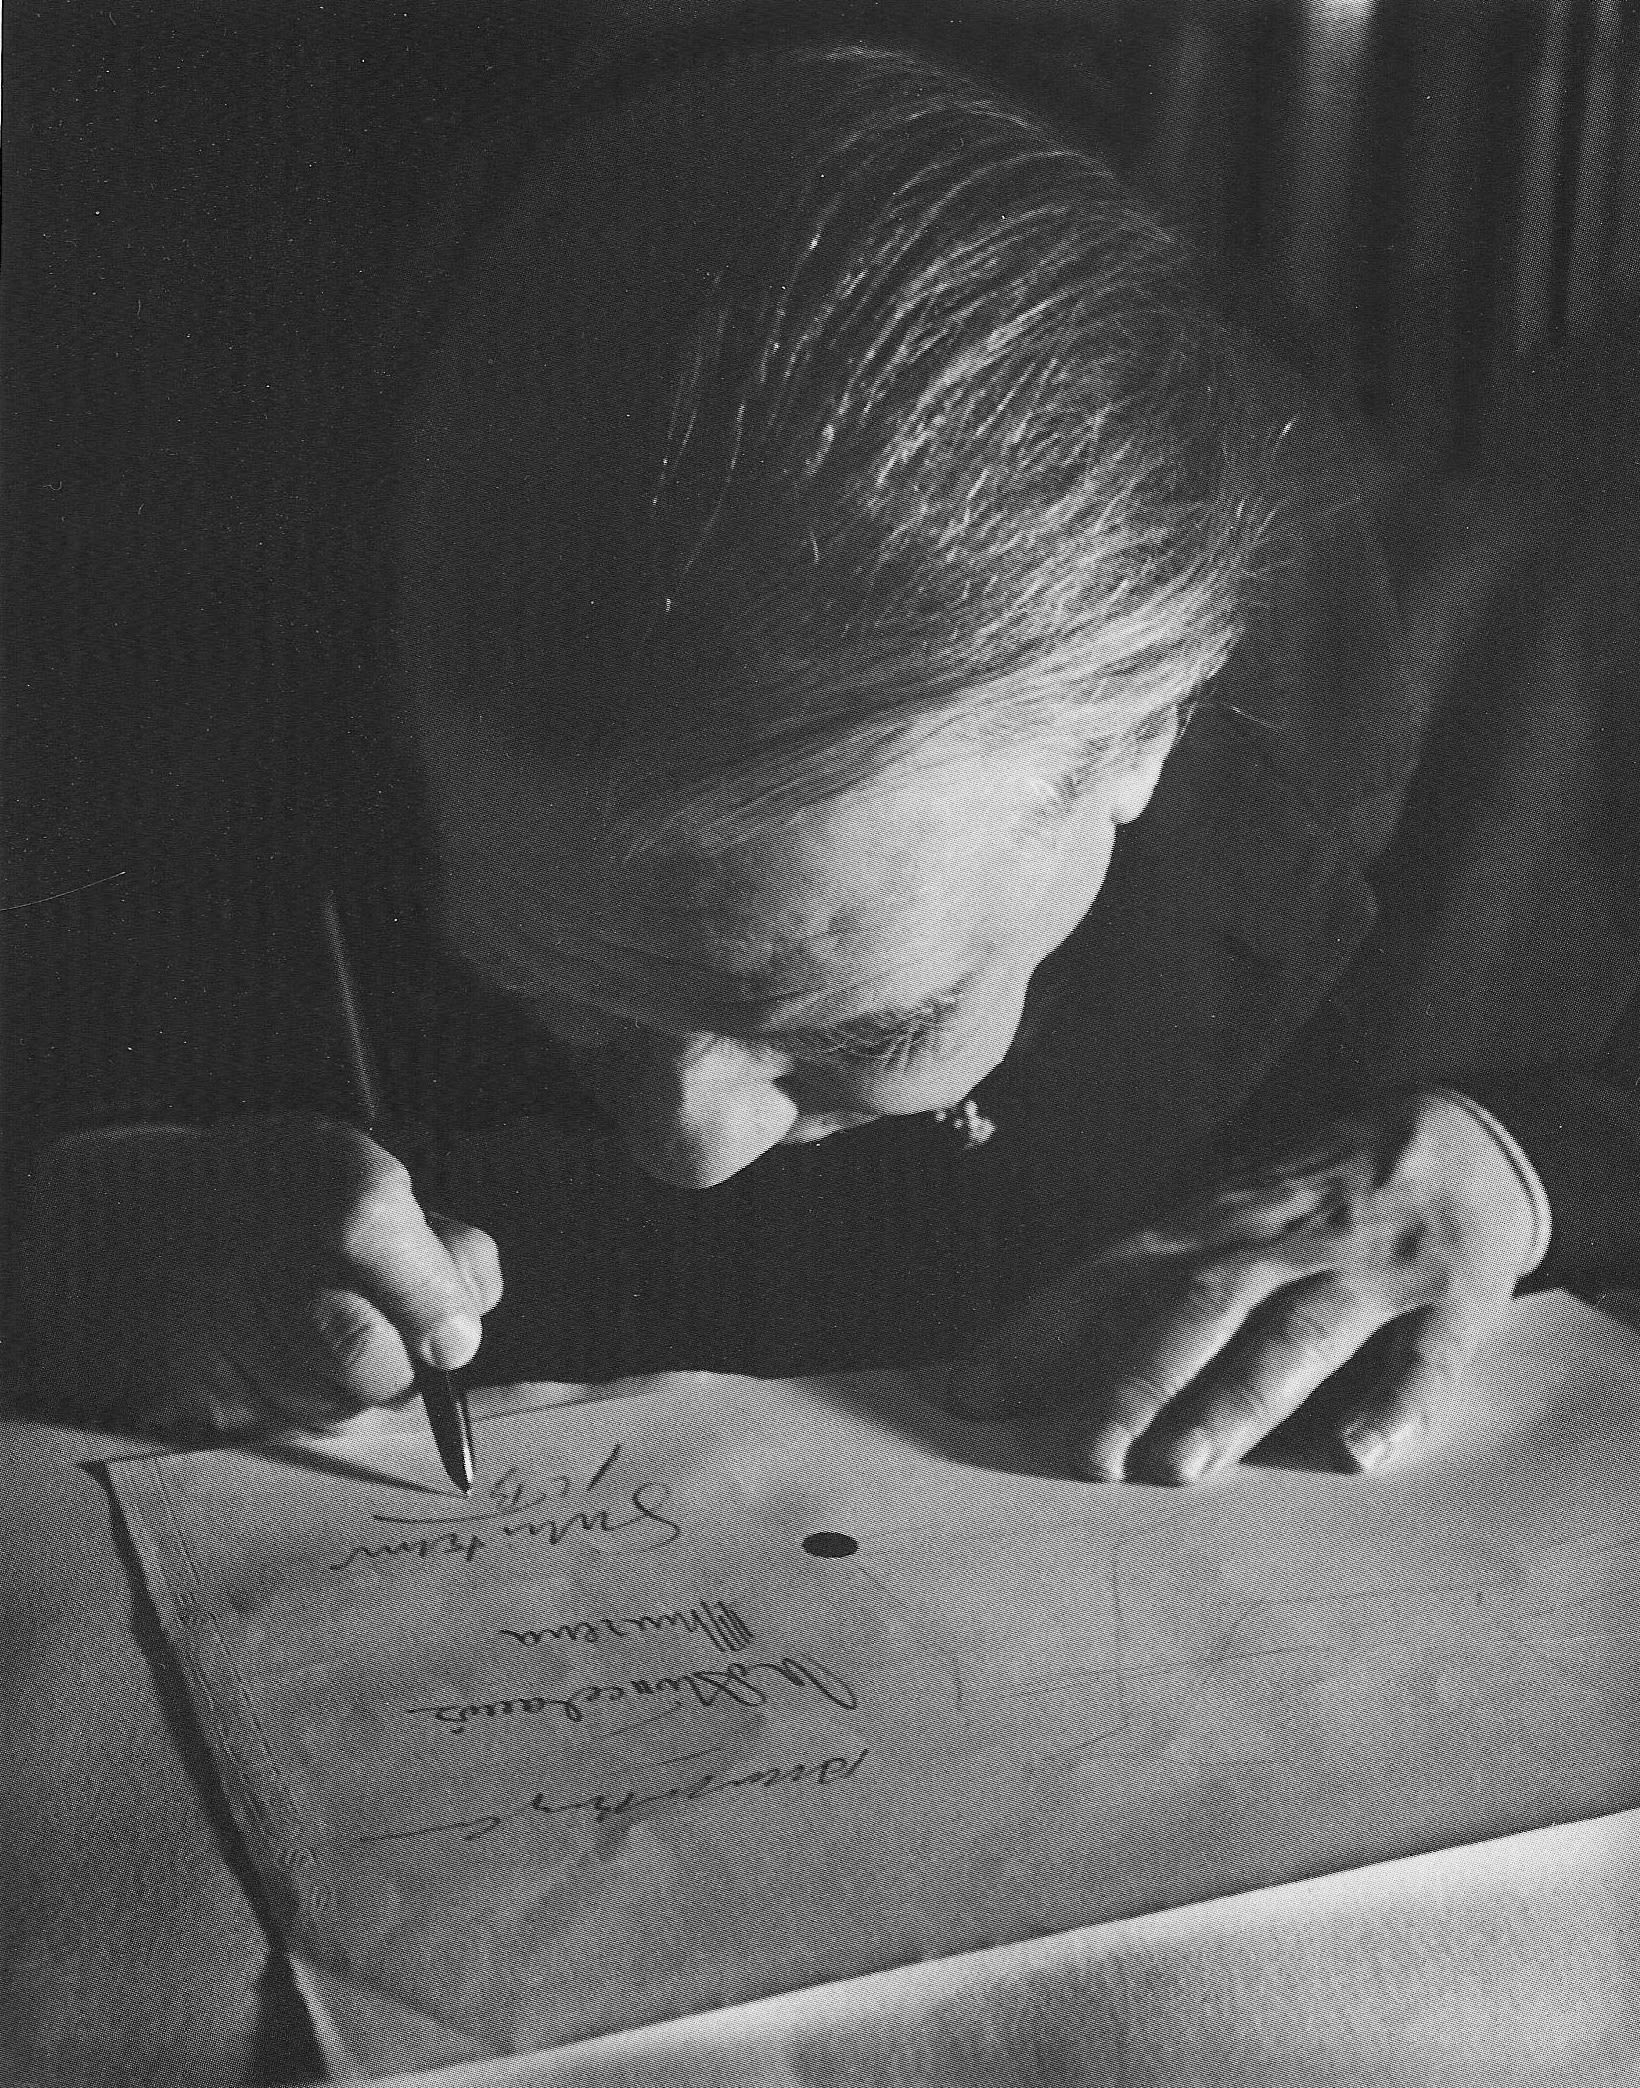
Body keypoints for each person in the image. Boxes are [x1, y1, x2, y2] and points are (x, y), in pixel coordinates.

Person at [156, 42, 1640, 1484]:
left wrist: (1528, 1166)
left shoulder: (1538, 675)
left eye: (863, 1031)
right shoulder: (233, 612)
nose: (695, 1151)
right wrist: (80, 1228)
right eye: (555, 988)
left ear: (1147, 724)